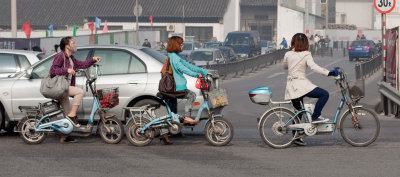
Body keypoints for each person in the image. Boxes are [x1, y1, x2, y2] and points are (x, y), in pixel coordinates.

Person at [283, 33, 338, 146]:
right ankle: (315, 116)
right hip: (302, 85)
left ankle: (296, 137)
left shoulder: (288, 54)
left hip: (292, 86)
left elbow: (285, 66)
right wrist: (329, 73)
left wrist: (292, 54)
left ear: (293, 42)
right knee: (324, 94)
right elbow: (313, 67)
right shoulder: (306, 54)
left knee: (298, 112)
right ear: (306, 43)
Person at [50, 37, 101, 143]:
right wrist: (66, 70)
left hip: (64, 88)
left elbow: (81, 65)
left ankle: (65, 137)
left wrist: (92, 59)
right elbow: (53, 70)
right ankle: (72, 115)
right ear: (67, 46)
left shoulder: (70, 58)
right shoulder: (61, 56)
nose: (76, 45)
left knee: (68, 115)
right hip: (61, 87)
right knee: (79, 92)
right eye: (73, 43)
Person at [160, 36, 208, 144]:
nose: (182, 46)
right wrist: (197, 75)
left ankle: (168, 132)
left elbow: (188, 65)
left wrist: (203, 71)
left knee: (172, 111)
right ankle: (186, 117)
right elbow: (182, 68)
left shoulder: (174, 56)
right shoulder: (174, 57)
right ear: (176, 45)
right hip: (172, 87)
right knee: (191, 95)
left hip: (170, 87)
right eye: (180, 44)